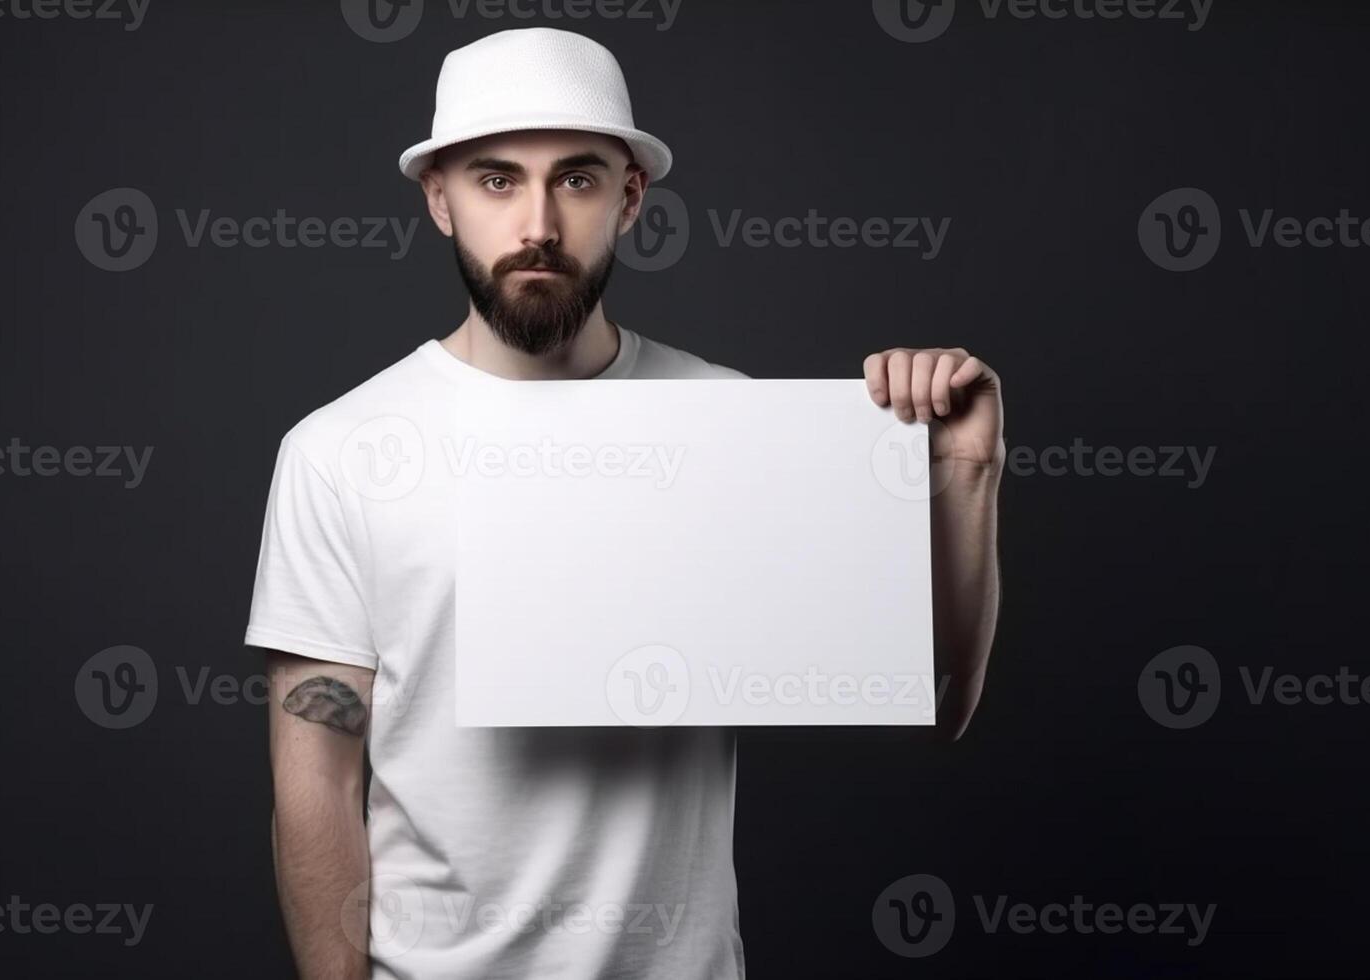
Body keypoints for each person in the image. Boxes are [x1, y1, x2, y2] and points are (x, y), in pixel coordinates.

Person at [245, 27, 1002, 979]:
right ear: (438, 198)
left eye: (576, 178)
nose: (537, 226)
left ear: (630, 197)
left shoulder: (728, 421)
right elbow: (316, 775)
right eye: (494, 180)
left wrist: (965, 474)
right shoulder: (339, 453)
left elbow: (935, 702)